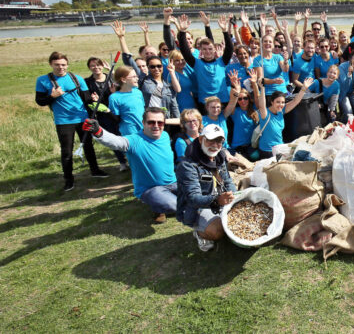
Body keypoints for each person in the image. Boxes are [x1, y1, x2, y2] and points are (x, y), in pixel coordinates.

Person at [84, 107, 177, 223]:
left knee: (199, 191)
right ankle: (159, 207)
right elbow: (116, 142)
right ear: (143, 123)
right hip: (151, 189)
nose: (156, 125)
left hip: (174, 183)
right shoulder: (133, 141)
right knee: (175, 204)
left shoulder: (165, 136)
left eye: (160, 122)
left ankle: (166, 202)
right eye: (151, 122)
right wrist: (99, 132)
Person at [36, 52, 107, 191]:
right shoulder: (43, 80)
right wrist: (52, 96)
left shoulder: (77, 78)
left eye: (63, 64)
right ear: (51, 64)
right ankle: (69, 180)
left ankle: (95, 170)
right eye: (57, 65)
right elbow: (40, 101)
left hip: (82, 118)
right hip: (63, 121)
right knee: (66, 151)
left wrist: (93, 100)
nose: (60, 67)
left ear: (67, 65)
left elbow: (86, 99)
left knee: (88, 146)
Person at [175, 124, 237, 252]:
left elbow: (228, 181)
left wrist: (234, 196)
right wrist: (217, 200)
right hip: (196, 209)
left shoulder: (220, 158)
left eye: (219, 141)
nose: (215, 145)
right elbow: (193, 199)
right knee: (218, 230)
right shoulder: (187, 166)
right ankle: (199, 233)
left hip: (219, 202)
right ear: (200, 139)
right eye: (210, 140)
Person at [174, 12, 234, 108]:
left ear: (214, 49)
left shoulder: (222, 62)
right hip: (204, 103)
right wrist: (182, 31)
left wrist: (225, 31)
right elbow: (185, 51)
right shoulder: (197, 63)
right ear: (200, 50)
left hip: (222, 101)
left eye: (210, 49)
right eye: (204, 49)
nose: (208, 51)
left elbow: (230, 48)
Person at [84, 57, 129, 171]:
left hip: (117, 112)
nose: (96, 67)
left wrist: (112, 73)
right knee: (111, 138)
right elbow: (87, 99)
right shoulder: (88, 82)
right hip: (103, 116)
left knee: (124, 135)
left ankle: (130, 159)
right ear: (89, 68)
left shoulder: (111, 78)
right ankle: (122, 162)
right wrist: (93, 99)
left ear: (102, 65)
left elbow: (124, 88)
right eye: (93, 65)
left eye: (98, 65)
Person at [254, 76, 313, 158]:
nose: (281, 105)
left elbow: (295, 101)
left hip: (280, 148)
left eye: (282, 102)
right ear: (272, 102)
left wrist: (304, 88)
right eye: (278, 102)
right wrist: (262, 88)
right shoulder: (265, 113)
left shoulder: (281, 111)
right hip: (268, 152)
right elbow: (261, 105)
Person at [223, 70, 260, 160]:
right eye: (240, 99)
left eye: (245, 98)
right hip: (237, 147)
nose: (243, 101)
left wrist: (254, 83)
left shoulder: (254, 111)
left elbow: (257, 97)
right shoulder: (235, 111)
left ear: (249, 99)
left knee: (255, 157)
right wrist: (234, 86)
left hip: (251, 146)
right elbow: (232, 100)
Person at [108, 65, 145, 136]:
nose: (137, 79)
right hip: (129, 132)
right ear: (123, 80)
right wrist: (107, 112)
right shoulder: (114, 97)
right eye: (133, 77)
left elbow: (142, 110)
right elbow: (115, 118)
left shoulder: (138, 92)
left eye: (136, 76)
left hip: (144, 129)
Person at [337, 51, 354, 122]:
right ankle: (346, 124)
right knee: (349, 112)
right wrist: (349, 74)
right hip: (343, 92)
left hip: (353, 92)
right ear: (351, 58)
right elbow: (343, 84)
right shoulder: (342, 66)